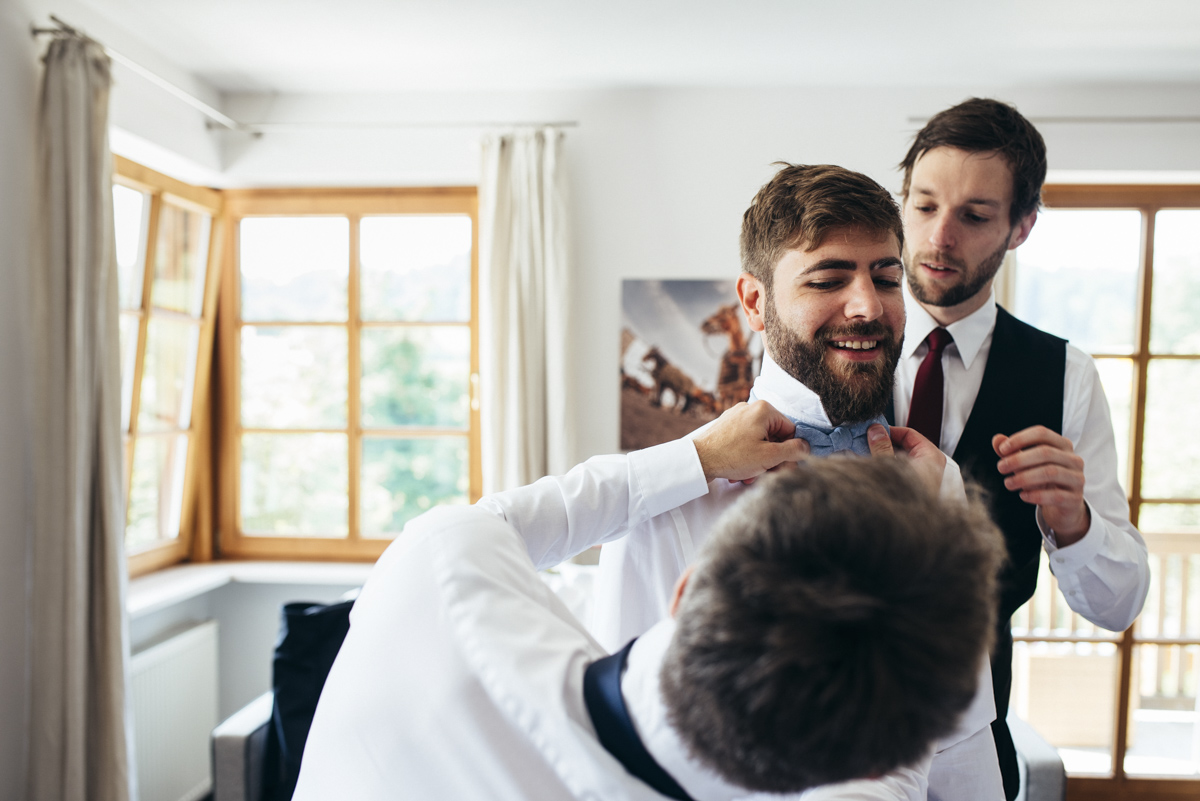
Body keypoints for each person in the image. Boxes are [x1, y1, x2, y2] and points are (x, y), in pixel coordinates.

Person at [293, 401, 1005, 801]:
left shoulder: (439, 571)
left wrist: (695, 456)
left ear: (687, 588)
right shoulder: (878, 777)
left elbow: (516, 518)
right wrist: (939, 506)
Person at [593, 164, 1005, 800]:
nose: (868, 306)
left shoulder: (934, 481)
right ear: (755, 303)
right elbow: (622, 751)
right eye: (828, 278)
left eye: (887, 278)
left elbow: (961, 733)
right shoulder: (669, 494)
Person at [894, 97, 1151, 799]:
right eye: (922, 206)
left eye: (974, 216)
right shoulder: (832, 343)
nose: (938, 236)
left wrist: (1074, 521)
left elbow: (1119, 601)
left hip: (971, 754)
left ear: (1021, 227)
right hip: (821, 741)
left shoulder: (1064, 376)